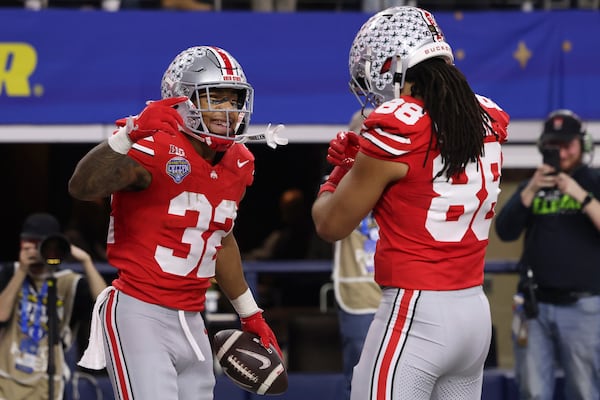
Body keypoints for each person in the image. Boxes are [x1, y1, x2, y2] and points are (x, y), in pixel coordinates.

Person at [311, 6, 509, 399]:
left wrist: (337, 174)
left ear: (392, 64)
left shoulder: (398, 124)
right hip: (473, 310)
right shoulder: (485, 116)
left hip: (416, 312)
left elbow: (330, 225)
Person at [68, 46, 283, 400]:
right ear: (183, 100)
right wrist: (129, 135)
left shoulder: (240, 162)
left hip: (193, 318)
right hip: (140, 312)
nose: (228, 110)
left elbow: (221, 240)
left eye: (234, 100)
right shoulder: (153, 146)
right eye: (215, 98)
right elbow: (80, 187)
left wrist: (250, 313)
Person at [495, 109, 600, 400]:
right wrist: (529, 190)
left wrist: (579, 194)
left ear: (583, 145)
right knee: (532, 390)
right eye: (554, 146)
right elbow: (504, 231)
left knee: (584, 390)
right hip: (533, 306)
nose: (561, 153)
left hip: (583, 307)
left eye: (567, 145)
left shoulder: (593, 180)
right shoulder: (534, 183)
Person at [0, 212, 107, 400]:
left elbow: (104, 306)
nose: (35, 250)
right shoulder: (10, 272)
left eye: (41, 245)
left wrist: (86, 261)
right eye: (29, 243)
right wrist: (23, 270)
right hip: (6, 380)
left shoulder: (68, 282)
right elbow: (1, 315)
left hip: (48, 383)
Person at [330, 109, 381, 400]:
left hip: (402, 291)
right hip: (358, 293)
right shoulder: (338, 178)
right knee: (360, 378)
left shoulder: (402, 168)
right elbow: (326, 224)